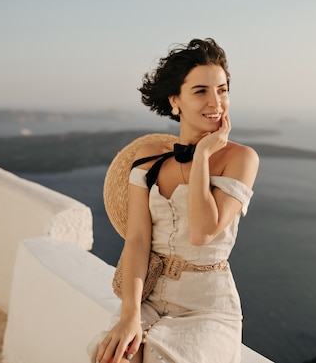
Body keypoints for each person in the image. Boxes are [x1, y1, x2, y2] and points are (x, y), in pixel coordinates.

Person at [91, 38, 259, 363]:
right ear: (175, 101)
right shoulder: (148, 158)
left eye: (222, 89)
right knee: (114, 357)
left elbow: (202, 232)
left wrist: (203, 157)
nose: (216, 102)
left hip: (208, 305)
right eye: (201, 91)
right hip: (149, 298)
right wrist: (129, 314)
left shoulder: (241, 158)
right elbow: (138, 240)